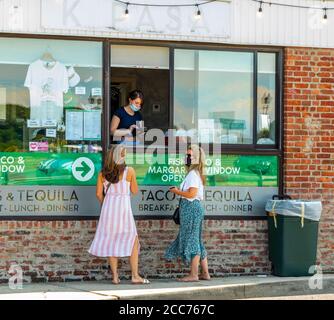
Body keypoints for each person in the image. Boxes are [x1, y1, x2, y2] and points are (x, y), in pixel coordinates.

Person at [88, 145, 149, 285]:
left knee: (110, 241)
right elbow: (134, 191)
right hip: (123, 210)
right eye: (124, 154)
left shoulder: (103, 173)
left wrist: (107, 204)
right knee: (133, 240)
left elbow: (98, 194)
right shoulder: (130, 171)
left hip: (108, 210)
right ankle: (135, 276)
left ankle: (115, 277)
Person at [165, 144, 210, 282]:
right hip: (194, 208)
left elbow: (191, 194)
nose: (187, 157)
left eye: (189, 155)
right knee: (196, 240)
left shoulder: (192, 174)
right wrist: (180, 190)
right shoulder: (196, 173)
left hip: (191, 208)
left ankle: (194, 274)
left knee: (192, 240)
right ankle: (205, 273)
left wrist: (176, 191)